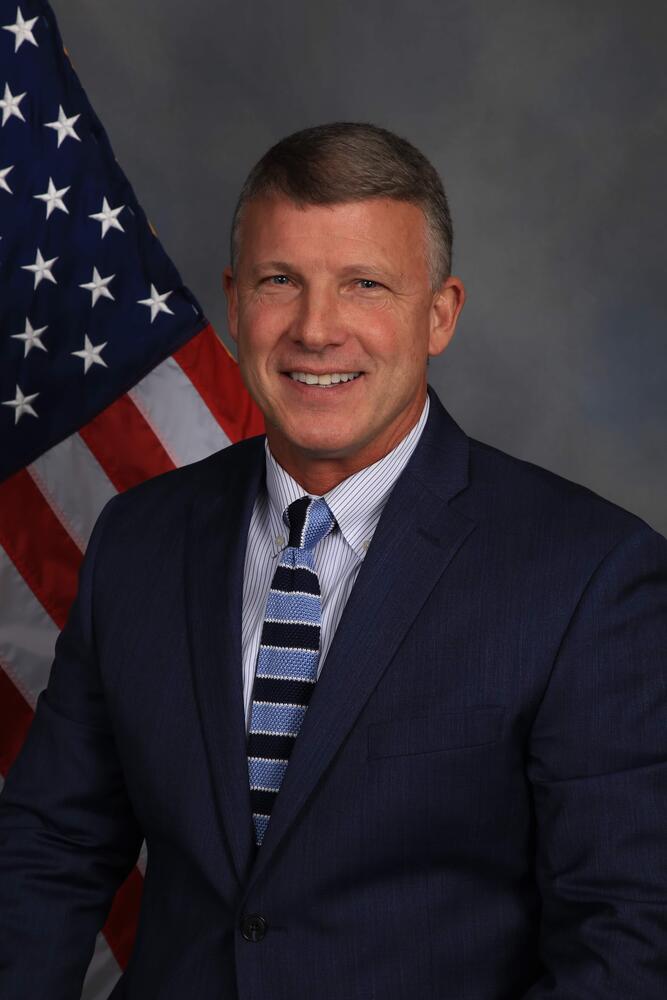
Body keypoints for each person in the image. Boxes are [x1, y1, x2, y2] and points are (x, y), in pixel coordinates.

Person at [1, 122, 665, 999]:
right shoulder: (141, 539)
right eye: (282, 281)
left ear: (439, 314)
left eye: (365, 285)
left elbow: (624, 931)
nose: (317, 330)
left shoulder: (590, 575)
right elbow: (54, 845)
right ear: (236, 302)